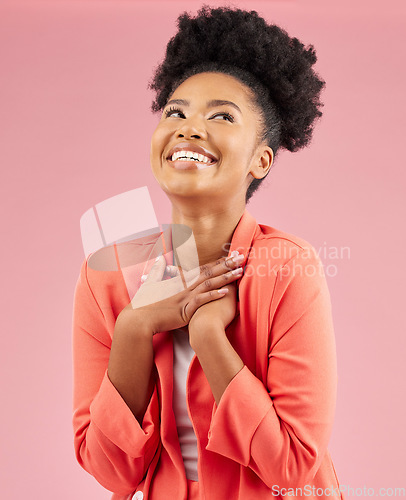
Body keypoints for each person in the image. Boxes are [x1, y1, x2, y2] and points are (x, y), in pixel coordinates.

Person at [72, 5, 344, 500]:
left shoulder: (287, 269)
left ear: (261, 160)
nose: (188, 128)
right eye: (175, 112)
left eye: (221, 116)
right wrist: (135, 327)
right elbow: (110, 472)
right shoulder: (107, 276)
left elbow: (293, 463)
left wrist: (208, 338)